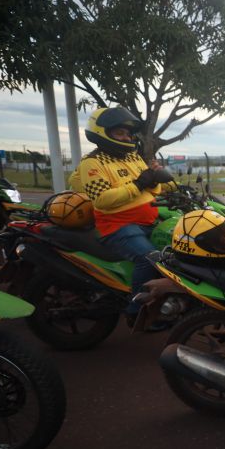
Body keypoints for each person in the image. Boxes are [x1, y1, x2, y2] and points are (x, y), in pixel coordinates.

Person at [76, 106, 171, 321]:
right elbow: (102, 199)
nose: (126, 137)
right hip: (117, 226)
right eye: (120, 133)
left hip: (148, 221)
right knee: (149, 259)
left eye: (128, 133)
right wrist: (138, 183)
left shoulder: (132, 157)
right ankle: (136, 311)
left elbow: (152, 188)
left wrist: (152, 179)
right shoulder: (92, 162)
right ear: (102, 132)